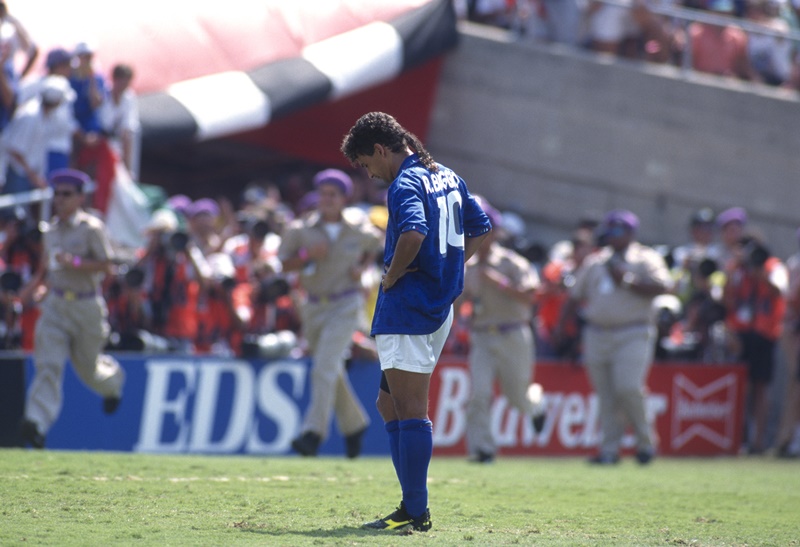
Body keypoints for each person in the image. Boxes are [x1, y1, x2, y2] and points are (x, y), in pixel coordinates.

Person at [341, 111, 491, 532]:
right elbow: (480, 227)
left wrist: (391, 275)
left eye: (367, 164)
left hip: (408, 308)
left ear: (380, 149)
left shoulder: (405, 183)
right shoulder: (445, 174)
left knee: (409, 409)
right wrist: (448, 269)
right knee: (387, 404)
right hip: (437, 306)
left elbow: (412, 233)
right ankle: (410, 505)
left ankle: (415, 511)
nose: (371, 174)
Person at [279, 168, 384, 458]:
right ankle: (354, 425)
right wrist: (306, 256)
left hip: (345, 304)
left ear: (343, 199)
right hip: (313, 305)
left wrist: (362, 267)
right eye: (322, 193)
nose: (326, 199)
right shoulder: (300, 229)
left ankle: (313, 434)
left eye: (333, 195)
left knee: (323, 367)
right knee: (330, 369)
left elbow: (377, 245)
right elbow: (283, 264)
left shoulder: (357, 228)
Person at [18, 168, 125, 449]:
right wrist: (33, 291)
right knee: (48, 365)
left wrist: (75, 263)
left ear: (80, 197)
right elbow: (46, 268)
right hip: (55, 304)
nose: (60, 200)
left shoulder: (91, 228)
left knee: (89, 369)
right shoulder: (50, 230)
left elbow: (108, 265)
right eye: (57, 194)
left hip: (86, 305)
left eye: (67, 194)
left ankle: (113, 384)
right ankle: (36, 423)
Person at [556, 209, 672, 465]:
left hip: (633, 331)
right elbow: (574, 296)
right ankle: (609, 450)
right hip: (597, 333)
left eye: (618, 231)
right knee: (606, 395)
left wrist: (628, 281)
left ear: (630, 233)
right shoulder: (596, 262)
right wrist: (561, 326)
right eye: (610, 231)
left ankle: (646, 442)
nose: (613, 236)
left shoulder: (645, 258)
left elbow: (663, 285)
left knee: (628, 387)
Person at [462, 199, 545, 463]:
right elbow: (457, 301)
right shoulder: (467, 266)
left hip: (513, 333)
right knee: (479, 393)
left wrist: (500, 283)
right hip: (483, 334)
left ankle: (536, 404)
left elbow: (531, 296)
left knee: (517, 397)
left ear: (495, 232)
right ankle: (482, 448)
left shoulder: (513, 263)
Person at [722, 235, 787, 454]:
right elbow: (726, 300)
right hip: (740, 335)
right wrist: (733, 270)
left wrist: (760, 272)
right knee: (741, 388)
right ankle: (737, 439)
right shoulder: (736, 270)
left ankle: (758, 442)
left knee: (761, 388)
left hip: (764, 335)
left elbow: (779, 291)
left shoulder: (772, 267)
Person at [98, 63, 140, 179]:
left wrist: (127, 165)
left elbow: (128, 127)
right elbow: (103, 123)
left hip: (120, 143)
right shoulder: (104, 94)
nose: (124, 86)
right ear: (115, 79)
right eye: (122, 81)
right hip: (102, 142)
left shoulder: (130, 98)